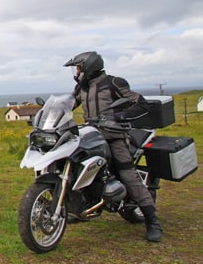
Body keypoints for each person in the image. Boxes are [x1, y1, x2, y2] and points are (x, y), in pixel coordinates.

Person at [64, 51, 163, 242]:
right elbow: (67, 105)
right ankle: (81, 209)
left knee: (128, 175)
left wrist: (121, 116)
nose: (77, 72)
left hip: (114, 136)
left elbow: (140, 103)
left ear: (89, 67)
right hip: (91, 135)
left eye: (78, 68)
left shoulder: (113, 83)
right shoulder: (81, 88)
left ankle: (152, 221)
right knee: (75, 163)